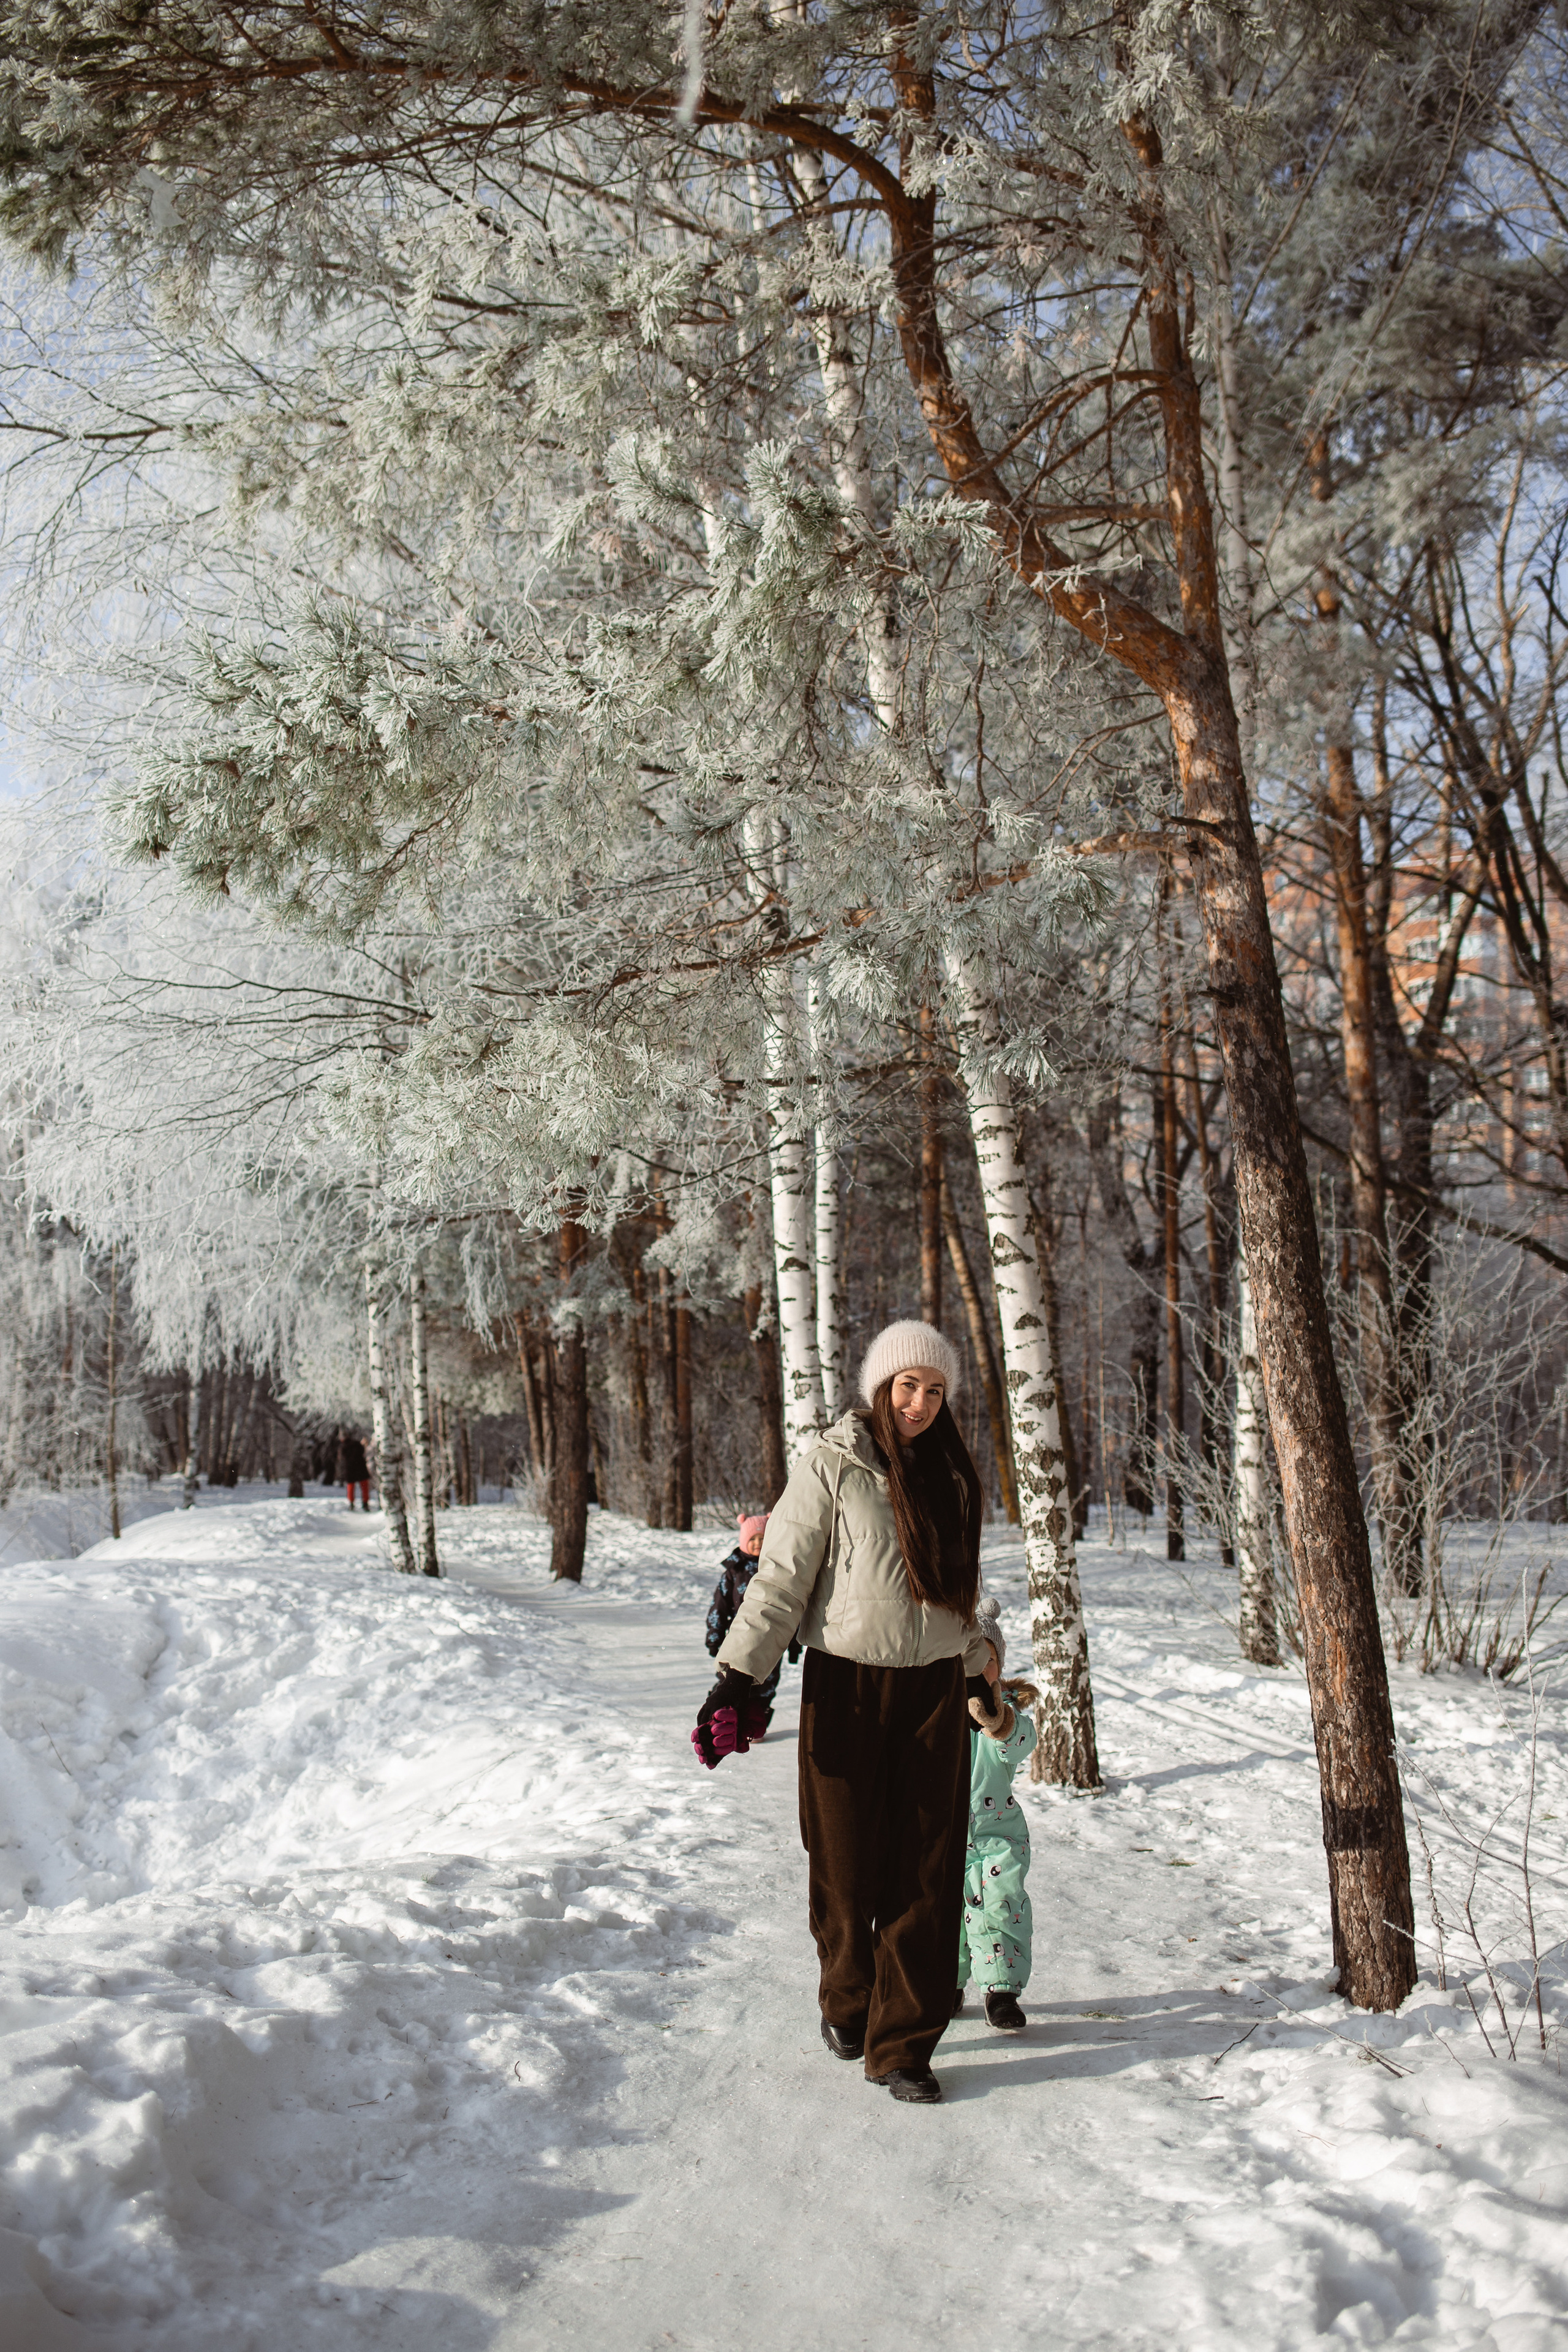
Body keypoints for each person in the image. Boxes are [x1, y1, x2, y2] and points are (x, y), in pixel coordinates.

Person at [691, 1320, 993, 2106]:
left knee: (926, 1871)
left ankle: (904, 2045)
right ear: (879, 1388)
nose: (921, 1404)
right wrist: (737, 1677)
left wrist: (976, 1673)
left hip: (931, 1693)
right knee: (846, 1868)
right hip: (847, 1689)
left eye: (934, 1390)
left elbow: (960, 1597)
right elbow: (782, 1580)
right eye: (907, 1387)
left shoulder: (956, 1477)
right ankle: (848, 2001)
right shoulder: (835, 1463)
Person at [955, 1593, 1036, 2035]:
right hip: (945, 1839)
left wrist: (1000, 1723)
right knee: (944, 1916)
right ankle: (947, 1985)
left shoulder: (1005, 1714)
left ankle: (1001, 1992)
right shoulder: (938, 1713)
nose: (975, 1668)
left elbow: (1023, 1742)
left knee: (1000, 1909)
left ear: (998, 1666)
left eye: (985, 1659)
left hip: (997, 1840)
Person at [703, 1512, 799, 1743]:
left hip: (771, 1641)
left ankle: (755, 1722)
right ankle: (721, 1718)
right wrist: (715, 1635)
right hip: (737, 1638)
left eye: (763, 1539)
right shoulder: (733, 1572)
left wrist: (794, 1644)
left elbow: (791, 1608)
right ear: (743, 1541)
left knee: (765, 1684)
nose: (758, 1544)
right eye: (753, 1539)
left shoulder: (777, 1570)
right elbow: (720, 1606)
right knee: (730, 1680)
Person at [338, 1428, 371, 1513]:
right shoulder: (357, 1443)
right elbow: (363, 1452)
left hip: (349, 1470)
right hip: (361, 1468)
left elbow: (342, 1460)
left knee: (351, 1487)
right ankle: (365, 1503)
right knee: (364, 1487)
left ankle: (351, 1504)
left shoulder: (342, 1447)